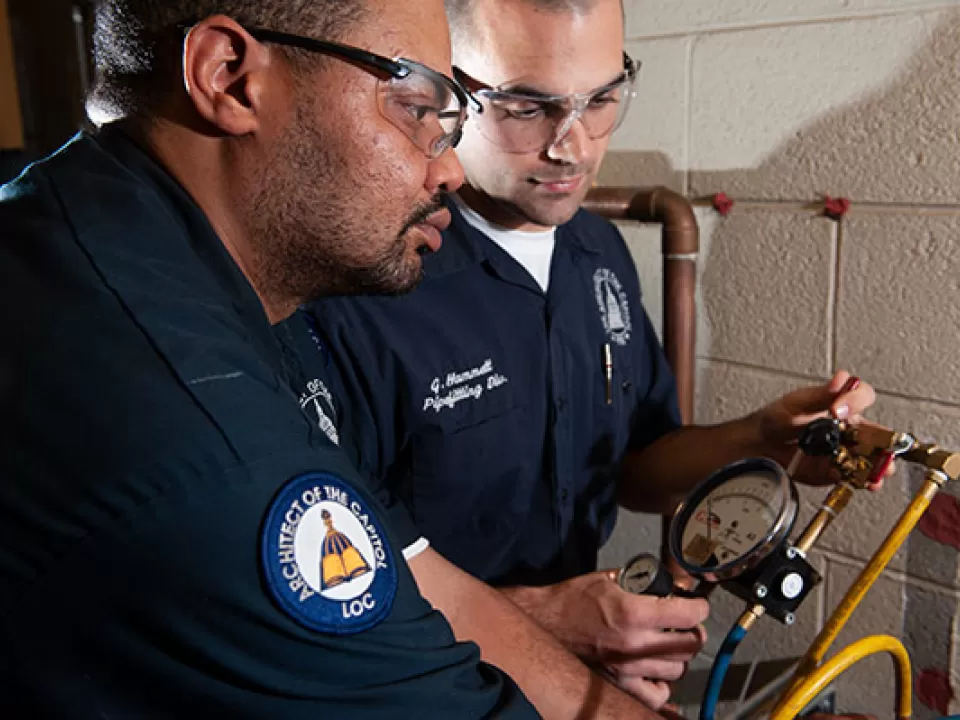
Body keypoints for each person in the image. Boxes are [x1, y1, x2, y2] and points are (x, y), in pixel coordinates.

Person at [0, 0, 675, 716]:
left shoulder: (142, 236)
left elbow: (420, 574)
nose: (448, 167)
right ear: (228, 77)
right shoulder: (200, 436)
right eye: (417, 105)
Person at [306, 0, 885, 709]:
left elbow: (636, 470)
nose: (573, 147)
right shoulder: (368, 277)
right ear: (445, 91)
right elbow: (325, 581)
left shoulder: (596, 254)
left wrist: (760, 438)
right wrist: (542, 620)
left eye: (602, 99)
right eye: (527, 106)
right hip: (414, 689)